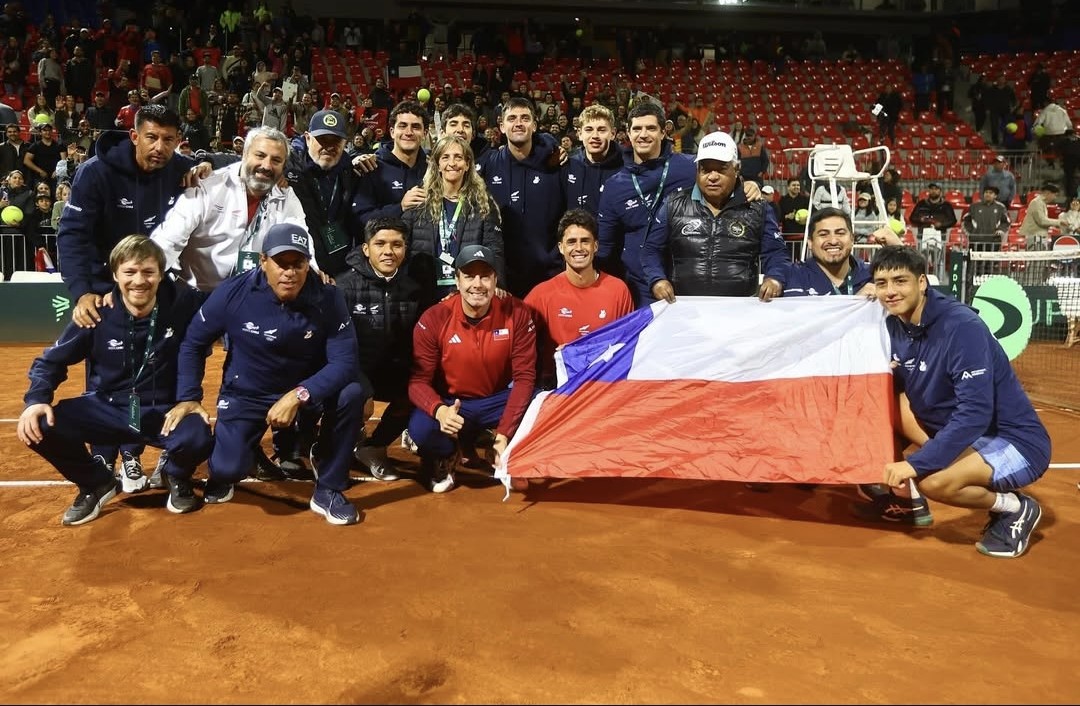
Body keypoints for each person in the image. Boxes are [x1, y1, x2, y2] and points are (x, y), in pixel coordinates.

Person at [57, 104, 216, 488]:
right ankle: (104, 453)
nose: (159, 147)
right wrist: (82, 293)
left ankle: (132, 451)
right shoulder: (95, 173)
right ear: (134, 136)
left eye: (168, 139)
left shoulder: (180, 169)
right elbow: (73, 235)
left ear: (178, 141)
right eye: (151, 137)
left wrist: (207, 162)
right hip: (107, 289)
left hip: (157, 288)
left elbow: (233, 164)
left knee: (156, 366)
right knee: (107, 370)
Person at [171, 223, 366, 525]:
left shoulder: (329, 297)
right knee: (226, 470)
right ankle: (246, 449)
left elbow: (345, 362)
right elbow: (192, 343)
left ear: (307, 263)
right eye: (281, 263)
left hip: (303, 390)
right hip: (247, 392)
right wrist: (188, 397)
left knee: (352, 393)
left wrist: (299, 394)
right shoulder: (232, 293)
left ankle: (328, 486)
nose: (289, 272)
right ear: (263, 261)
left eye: (298, 263)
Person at [867, 245, 1050, 558]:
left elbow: (975, 414)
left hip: (1016, 442)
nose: (890, 292)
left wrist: (915, 463)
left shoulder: (961, 327)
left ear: (922, 282)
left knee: (934, 483)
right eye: (882, 283)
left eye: (900, 281)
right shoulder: (895, 324)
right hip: (971, 437)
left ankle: (1014, 507)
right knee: (887, 395)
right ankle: (904, 494)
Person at [16, 235, 213, 524]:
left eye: (148, 272)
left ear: (161, 274)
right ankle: (95, 482)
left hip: (163, 410)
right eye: (129, 272)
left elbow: (226, 304)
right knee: (40, 425)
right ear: (115, 275)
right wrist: (36, 400)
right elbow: (50, 361)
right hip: (107, 408)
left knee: (198, 435)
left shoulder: (182, 304)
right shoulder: (96, 312)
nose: (139, 281)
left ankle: (175, 474)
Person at [407, 244, 537, 493]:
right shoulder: (434, 317)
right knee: (421, 429)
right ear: (456, 281)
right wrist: (440, 411)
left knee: (540, 405)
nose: (477, 284)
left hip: (495, 400)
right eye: (469, 276)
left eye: (485, 276)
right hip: (452, 402)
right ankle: (447, 453)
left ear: (495, 279)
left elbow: (524, 377)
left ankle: (507, 452)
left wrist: (504, 435)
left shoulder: (517, 312)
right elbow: (418, 382)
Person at [150, 125, 310, 291]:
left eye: (276, 160)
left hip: (250, 298)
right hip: (198, 295)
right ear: (245, 154)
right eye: (260, 155)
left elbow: (300, 236)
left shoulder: (286, 196)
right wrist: (147, 271)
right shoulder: (208, 186)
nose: (267, 165)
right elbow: (170, 239)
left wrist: (312, 269)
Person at [642, 130, 790, 302]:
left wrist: (775, 278)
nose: (712, 177)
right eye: (705, 170)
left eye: (721, 169)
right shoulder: (673, 203)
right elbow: (651, 250)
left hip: (740, 310)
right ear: (697, 170)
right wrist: (657, 280)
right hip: (683, 311)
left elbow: (777, 253)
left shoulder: (758, 208)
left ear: (737, 169)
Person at [335, 216, 429, 481]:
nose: (388, 251)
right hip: (352, 369)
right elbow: (336, 347)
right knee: (353, 398)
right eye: (380, 244)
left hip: (389, 368)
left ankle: (373, 449)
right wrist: (361, 388)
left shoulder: (414, 289)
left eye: (397, 244)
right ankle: (336, 443)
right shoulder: (343, 288)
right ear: (366, 249)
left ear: (405, 249)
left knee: (417, 392)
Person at [597, 102, 697, 307]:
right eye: (637, 129)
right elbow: (605, 247)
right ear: (628, 133)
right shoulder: (615, 186)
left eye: (651, 128)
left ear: (663, 132)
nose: (643, 134)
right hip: (639, 289)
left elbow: (724, 180)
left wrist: (748, 185)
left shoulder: (690, 168)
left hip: (689, 284)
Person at [524, 208, 633, 390]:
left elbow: (628, 344)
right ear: (561, 247)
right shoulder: (542, 294)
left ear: (595, 246)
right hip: (559, 389)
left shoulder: (618, 290)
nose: (579, 248)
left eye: (585, 241)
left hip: (604, 386)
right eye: (571, 242)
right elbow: (518, 338)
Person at [477, 96, 565, 298]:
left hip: (550, 272)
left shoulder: (556, 163)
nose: (518, 123)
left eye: (525, 118)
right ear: (501, 126)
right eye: (512, 118)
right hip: (504, 277)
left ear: (534, 126)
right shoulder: (488, 166)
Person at [403, 133, 505, 302]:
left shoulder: (482, 203)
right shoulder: (420, 199)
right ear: (437, 164)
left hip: (467, 291)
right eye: (445, 157)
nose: (452, 163)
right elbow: (404, 243)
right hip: (422, 289)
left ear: (467, 165)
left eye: (458, 157)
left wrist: (498, 283)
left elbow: (494, 247)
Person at [352, 100, 430, 225]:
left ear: (425, 133)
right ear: (392, 132)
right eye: (402, 126)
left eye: (415, 127)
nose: (408, 132)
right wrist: (400, 208)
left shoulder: (431, 169)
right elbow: (361, 218)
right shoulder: (371, 166)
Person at [563, 104, 623, 215]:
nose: (595, 135)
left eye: (601, 130)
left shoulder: (627, 167)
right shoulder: (568, 166)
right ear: (580, 134)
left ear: (613, 134)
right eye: (589, 130)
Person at [1017, 181, 1061, 250]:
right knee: (1034, 259)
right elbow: (1042, 221)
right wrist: (1059, 222)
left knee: (1039, 259)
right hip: (1035, 236)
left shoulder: (1042, 203)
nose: (1055, 198)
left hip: (1039, 236)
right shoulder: (1037, 202)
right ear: (1048, 193)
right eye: (1055, 195)